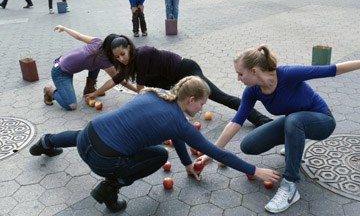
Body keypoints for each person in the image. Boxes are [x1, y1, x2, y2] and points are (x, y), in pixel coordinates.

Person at [29, 76, 280, 212]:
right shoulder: (179, 124)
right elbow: (215, 152)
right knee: (160, 154)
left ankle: (44, 142)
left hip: (88, 135)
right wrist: (254, 170)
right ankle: (111, 187)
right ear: (191, 99)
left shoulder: (156, 92)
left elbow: (177, 133)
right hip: (103, 161)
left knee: (90, 133)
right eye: (201, 104)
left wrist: (186, 164)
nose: (202, 108)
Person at [198, 44, 360, 213]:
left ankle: (290, 185)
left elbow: (334, 69)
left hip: (322, 121)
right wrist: (212, 153)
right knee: (248, 145)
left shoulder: (287, 74)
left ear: (254, 71)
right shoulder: (252, 91)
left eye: (240, 74)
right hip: (294, 122)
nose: (238, 78)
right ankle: (294, 143)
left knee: (294, 120)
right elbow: (235, 122)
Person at [85, 36, 272, 127]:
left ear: (129, 48)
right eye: (117, 57)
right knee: (161, 94)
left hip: (187, 71)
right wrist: (93, 93)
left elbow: (141, 88)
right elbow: (115, 80)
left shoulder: (142, 54)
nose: (122, 59)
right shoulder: (129, 63)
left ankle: (261, 120)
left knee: (220, 97)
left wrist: (135, 111)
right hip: (171, 80)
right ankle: (171, 116)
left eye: (123, 54)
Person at [43, 25, 136, 110]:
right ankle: (49, 91)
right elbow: (119, 80)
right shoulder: (104, 60)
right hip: (60, 72)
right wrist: (137, 90)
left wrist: (64, 28)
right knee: (71, 106)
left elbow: (78, 36)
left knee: (95, 62)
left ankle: (89, 88)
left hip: (61, 61)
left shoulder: (99, 42)